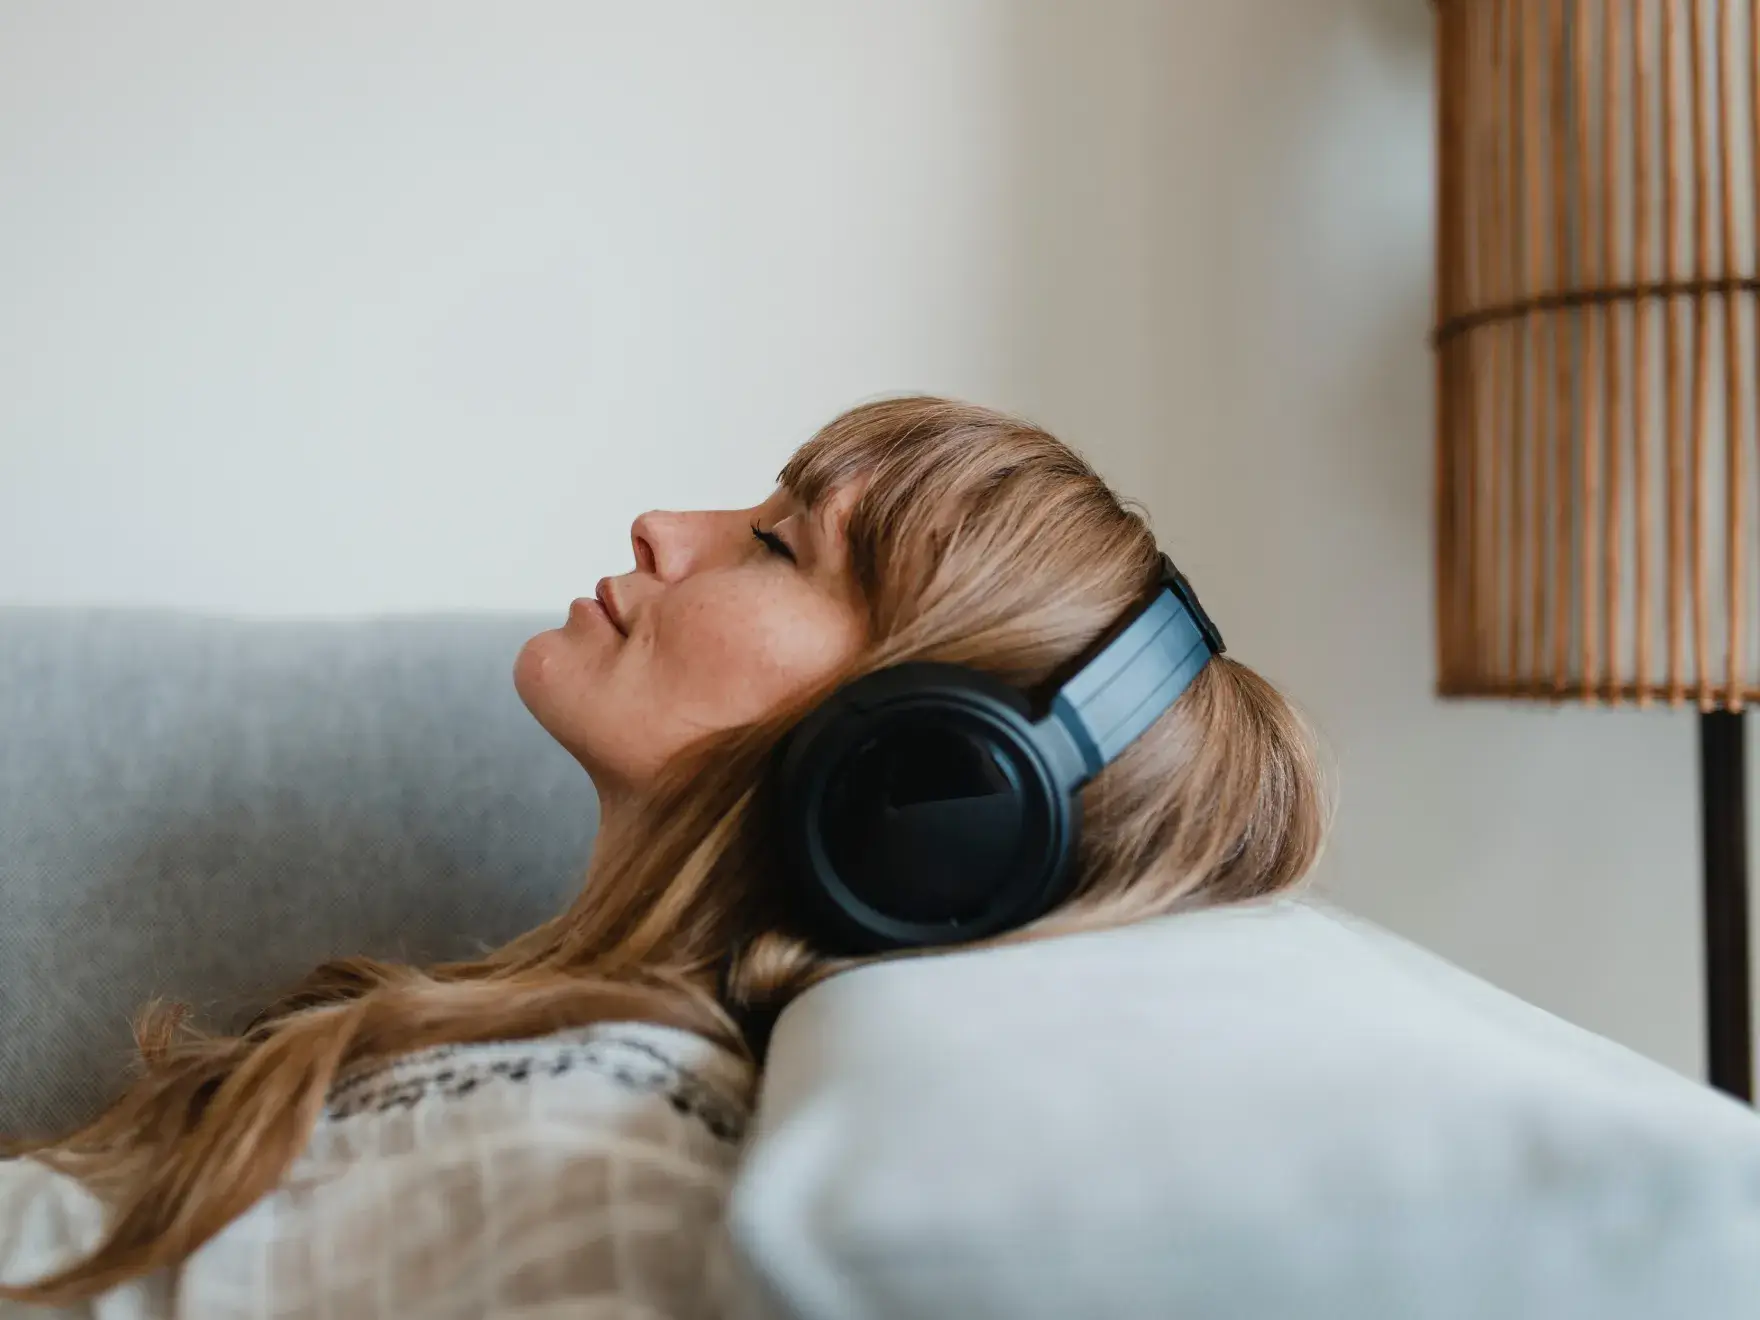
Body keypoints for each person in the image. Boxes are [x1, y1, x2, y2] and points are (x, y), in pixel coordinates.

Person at [0, 396, 1328, 1315]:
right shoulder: (546, 1067)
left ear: (926, 777)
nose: (660, 527)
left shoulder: (616, 1174)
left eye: (777, 544)